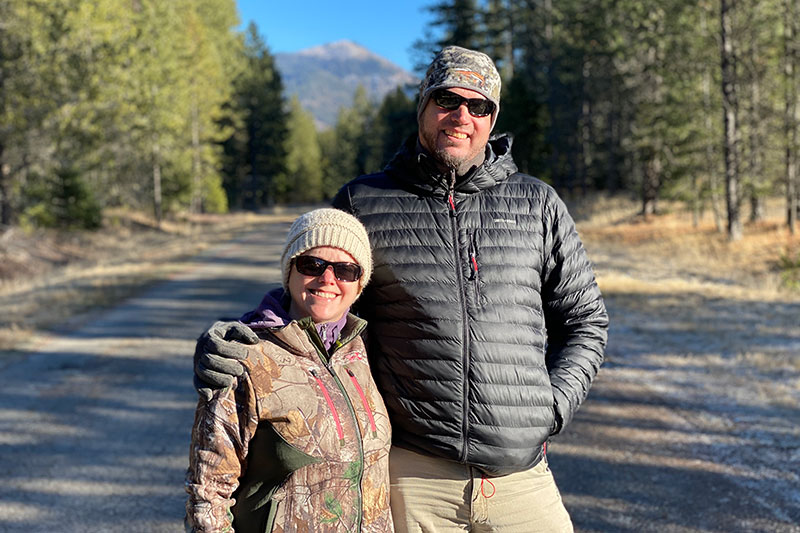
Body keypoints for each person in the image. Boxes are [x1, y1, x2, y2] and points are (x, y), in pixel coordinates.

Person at [194, 46, 609, 532]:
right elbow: (318, 299)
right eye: (447, 100)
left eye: (479, 106)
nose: (461, 116)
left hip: (522, 479)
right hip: (412, 478)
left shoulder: (537, 204)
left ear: (493, 120)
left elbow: (586, 321)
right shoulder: (366, 200)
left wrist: (551, 408)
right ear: (423, 106)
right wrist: (239, 342)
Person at [185, 208, 394, 533]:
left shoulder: (362, 351)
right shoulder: (245, 357)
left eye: (346, 270)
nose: (328, 279)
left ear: (360, 283)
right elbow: (208, 494)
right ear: (289, 270)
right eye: (312, 264)